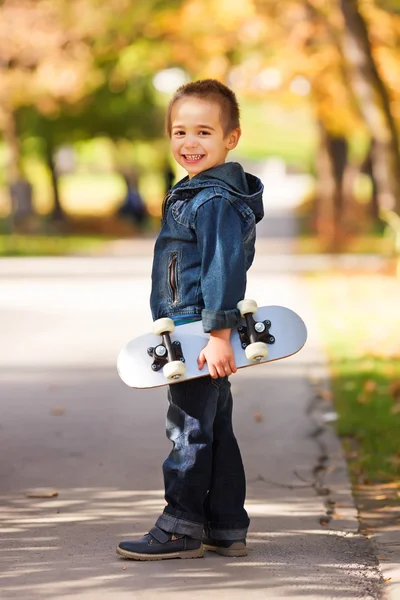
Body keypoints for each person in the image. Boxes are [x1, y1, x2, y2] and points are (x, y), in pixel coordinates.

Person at [117, 79, 264, 561]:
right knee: (214, 426)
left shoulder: (214, 199)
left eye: (204, 132)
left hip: (198, 332)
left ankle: (180, 526)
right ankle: (224, 526)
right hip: (192, 329)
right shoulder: (198, 191)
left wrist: (218, 335)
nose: (189, 143)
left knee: (188, 428)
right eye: (180, 132)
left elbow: (223, 268)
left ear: (231, 138)